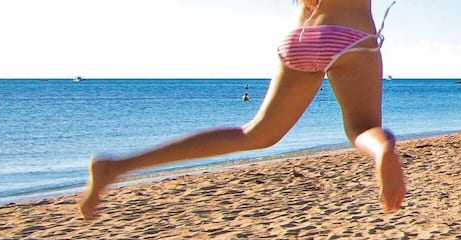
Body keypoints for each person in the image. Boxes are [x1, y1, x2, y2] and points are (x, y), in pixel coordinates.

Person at [80, 0, 404, 221]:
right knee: (362, 128)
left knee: (255, 133)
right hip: (353, 37)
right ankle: (382, 150)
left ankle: (117, 166)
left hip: (300, 36)